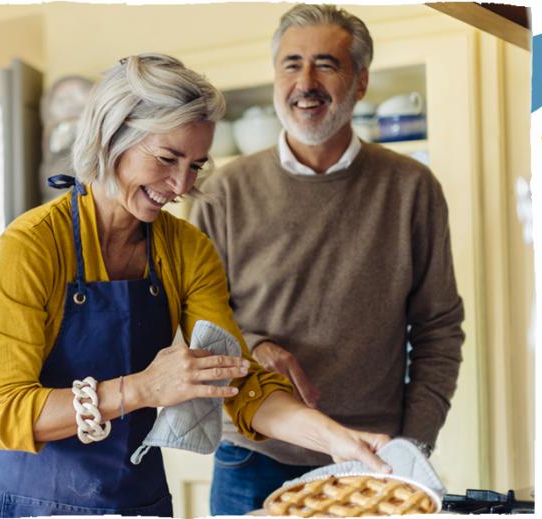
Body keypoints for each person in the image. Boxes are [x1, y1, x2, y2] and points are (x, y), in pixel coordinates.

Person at [0, 53, 392, 518]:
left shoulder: (188, 250)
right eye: (168, 158)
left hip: (132, 497)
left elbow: (236, 381)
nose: (181, 184)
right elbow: (3, 412)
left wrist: (334, 438)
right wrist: (142, 390)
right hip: (26, 498)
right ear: (113, 136)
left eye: (195, 165)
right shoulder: (32, 246)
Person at [190, 4, 466, 515]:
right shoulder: (222, 192)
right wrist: (256, 346)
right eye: (291, 64)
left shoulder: (411, 189)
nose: (305, 82)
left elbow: (439, 330)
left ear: (360, 83)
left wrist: (413, 443)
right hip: (251, 456)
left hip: (373, 455)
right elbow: (196, 324)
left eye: (326, 64)